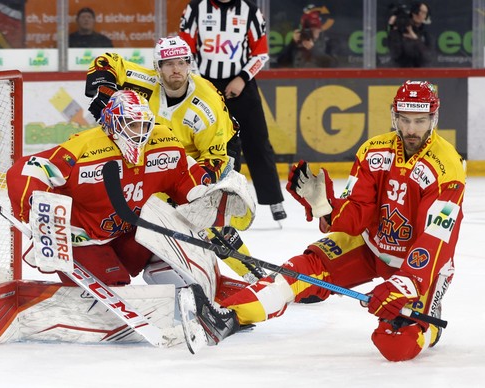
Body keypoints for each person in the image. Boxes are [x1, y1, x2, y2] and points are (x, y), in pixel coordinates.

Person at [181, 80, 466, 362]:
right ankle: (228, 316)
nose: (411, 129)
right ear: (395, 116)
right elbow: (357, 217)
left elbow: (436, 238)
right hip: (370, 246)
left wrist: (406, 284)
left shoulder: (448, 166)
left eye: (420, 120)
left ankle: (430, 329)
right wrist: (326, 208)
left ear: (433, 118)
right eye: (405, 120)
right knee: (301, 270)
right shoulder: (373, 151)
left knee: (395, 344)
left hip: (419, 267)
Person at [0, 90, 256, 345]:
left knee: (173, 242)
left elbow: (183, 177)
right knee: (111, 294)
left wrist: (202, 194)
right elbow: (27, 170)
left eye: (144, 124)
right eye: (132, 125)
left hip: (128, 233)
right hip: (83, 240)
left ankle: (205, 303)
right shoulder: (85, 148)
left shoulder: (162, 140)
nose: (140, 132)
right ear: (114, 124)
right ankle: (19, 303)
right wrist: (35, 209)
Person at [85, 36, 263, 283]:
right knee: (149, 207)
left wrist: (190, 193)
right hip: (167, 153)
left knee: (202, 216)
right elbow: (107, 61)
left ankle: (253, 273)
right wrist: (105, 89)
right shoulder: (146, 82)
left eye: (181, 62)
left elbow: (216, 157)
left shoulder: (207, 104)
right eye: (168, 64)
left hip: (214, 153)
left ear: (190, 64)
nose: (176, 69)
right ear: (157, 67)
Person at [179, 0, 287, 222]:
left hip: (242, 84)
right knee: (212, 142)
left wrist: (242, 79)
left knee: (257, 140)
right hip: (204, 83)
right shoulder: (196, 8)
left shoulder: (250, 11)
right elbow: (185, 50)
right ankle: (213, 198)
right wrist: (201, 82)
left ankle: (273, 198)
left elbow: (261, 53)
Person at [387, 2, 432, 67]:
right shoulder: (399, 32)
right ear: (412, 13)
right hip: (400, 72)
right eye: (418, 11)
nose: (419, 14)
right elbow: (395, 54)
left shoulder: (426, 34)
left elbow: (428, 57)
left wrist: (415, 39)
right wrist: (392, 28)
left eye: (424, 13)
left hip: (420, 73)